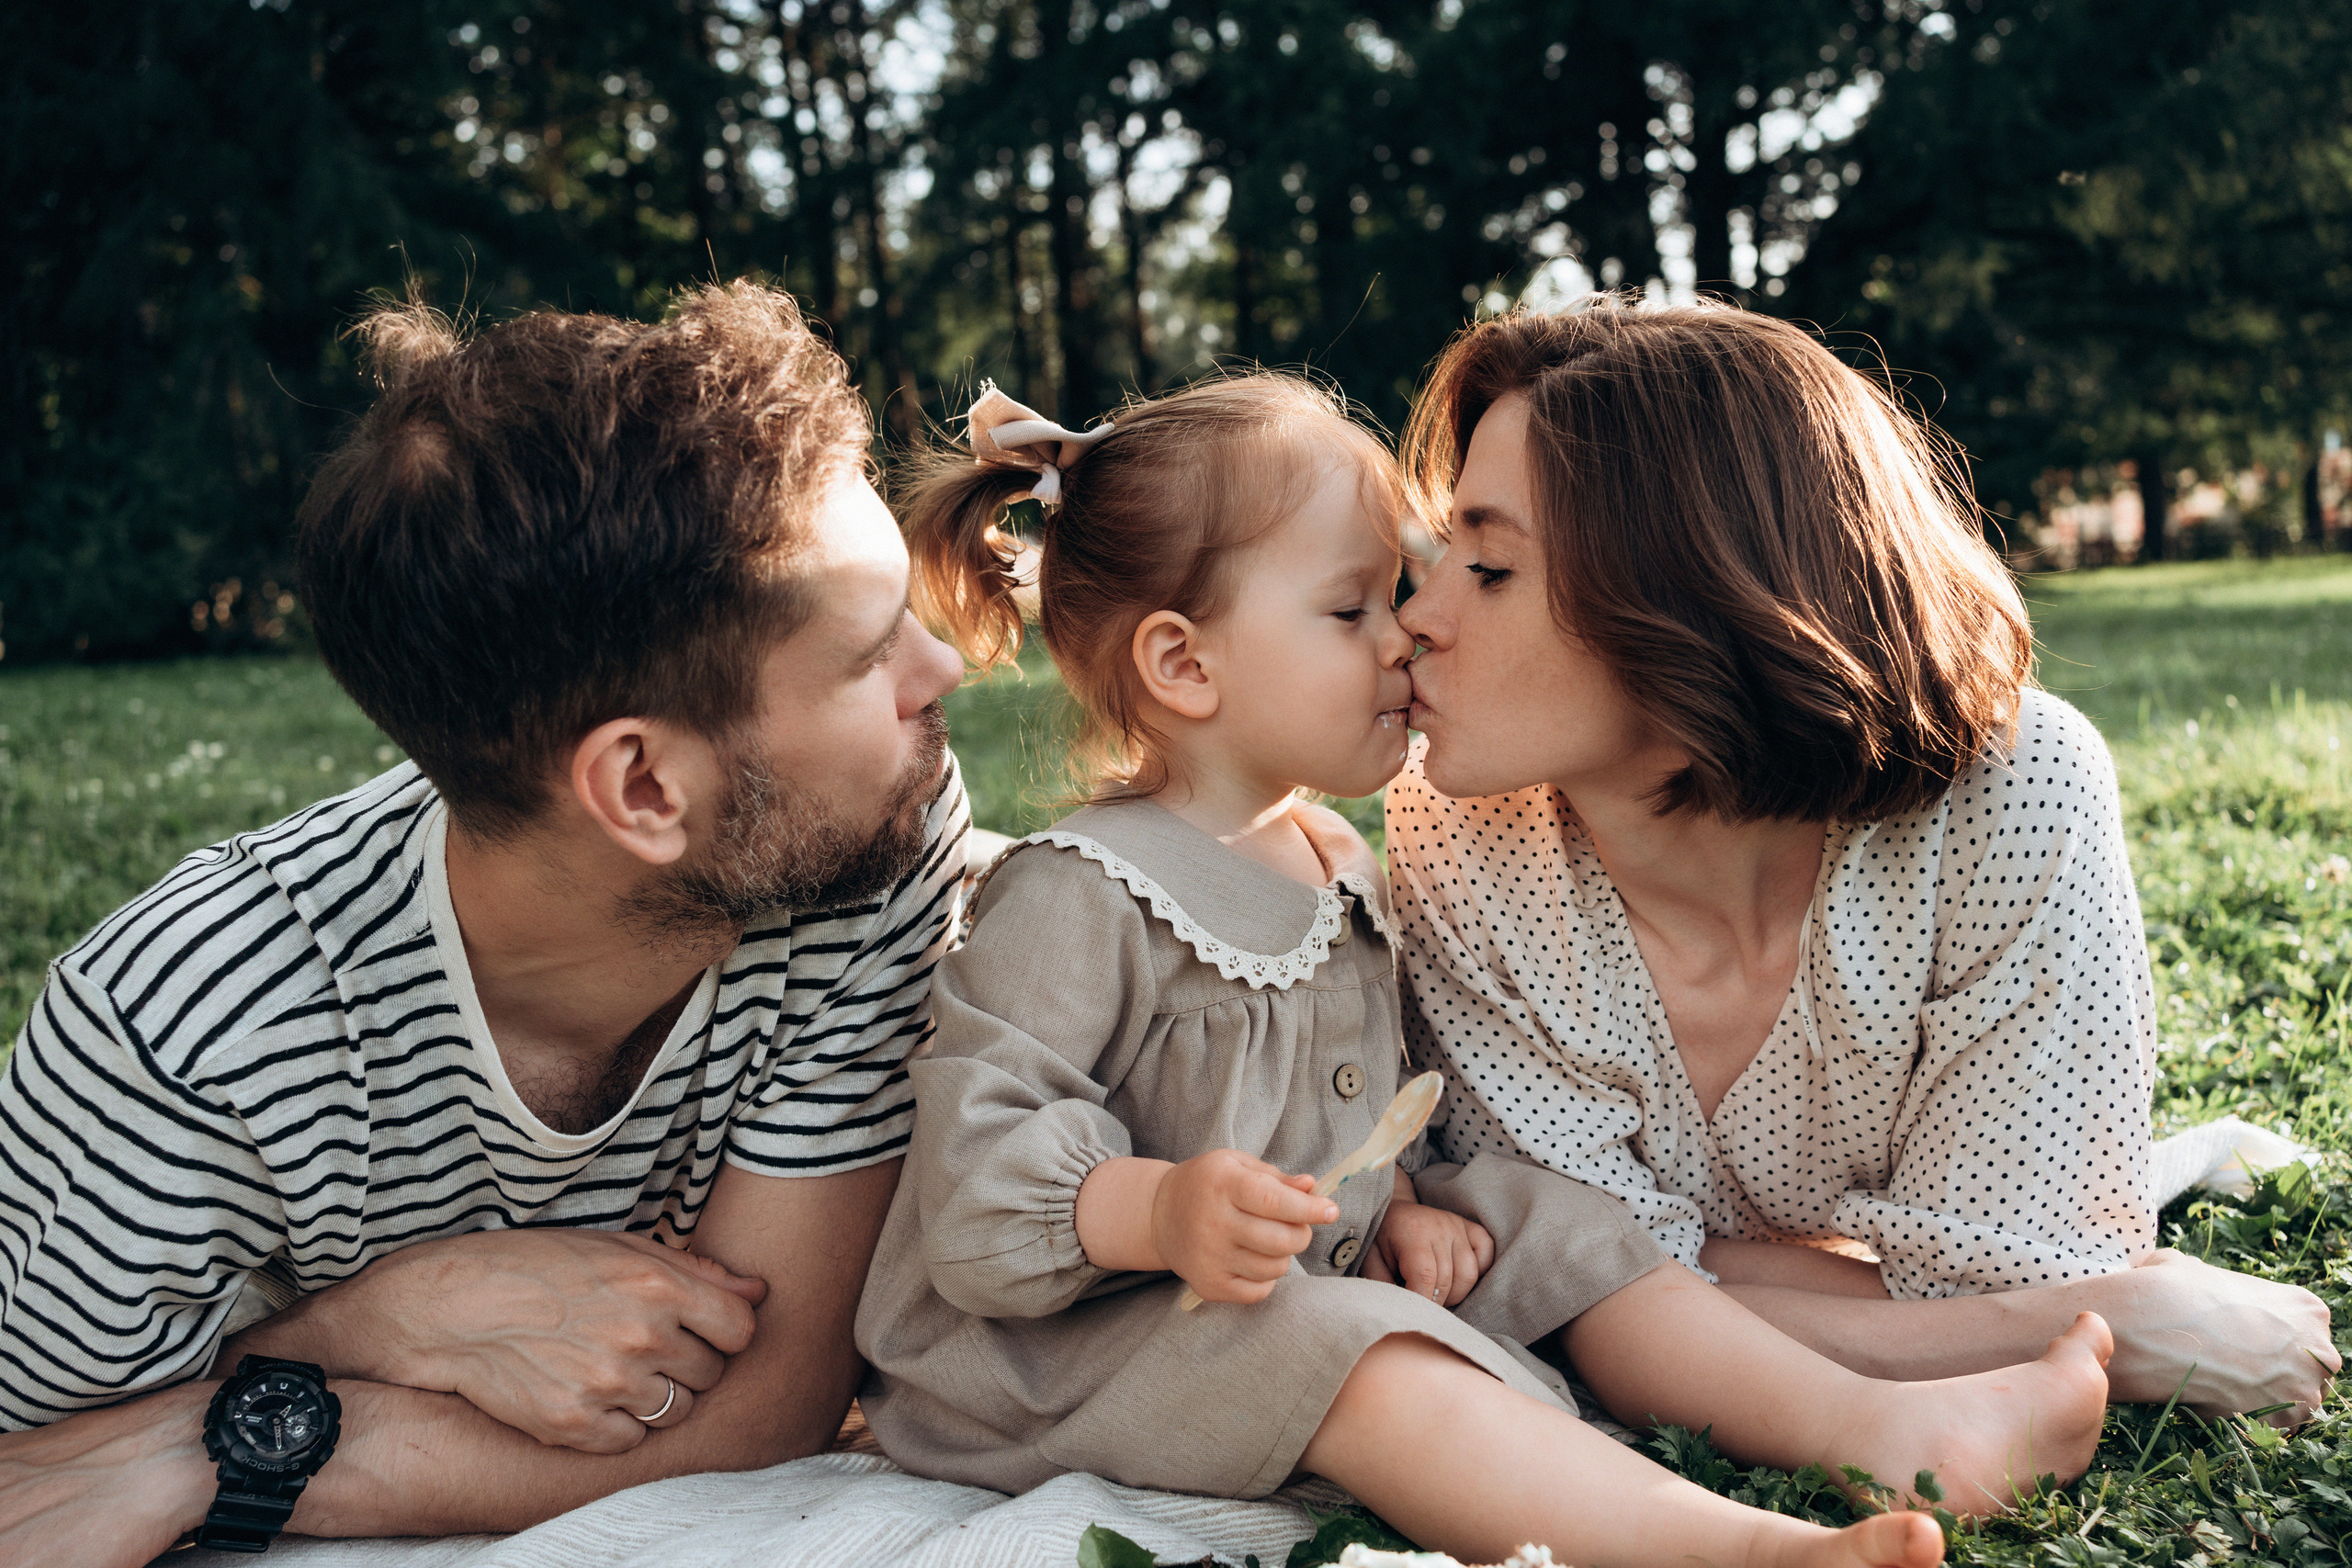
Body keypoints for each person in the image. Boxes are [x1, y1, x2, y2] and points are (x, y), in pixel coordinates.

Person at [854, 373, 2115, 1568]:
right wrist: (1159, 1210)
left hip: (1292, 1274)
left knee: (1541, 1217)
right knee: (1340, 1339)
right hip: (1066, 1344)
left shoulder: (1333, 854)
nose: (1406, 632)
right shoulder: (1080, 887)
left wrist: (1398, 1201)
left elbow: (1348, 1098)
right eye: (1351, 610)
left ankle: (1869, 1424)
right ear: (1184, 664)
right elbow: (976, 1179)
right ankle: (1739, 1545)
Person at [0, 283, 971, 1562]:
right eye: (865, 656)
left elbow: (768, 1404)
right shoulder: (184, 1036)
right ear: (642, 787)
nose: (942, 668)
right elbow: (38, 1470)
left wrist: (238, 1428)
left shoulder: (861, 854)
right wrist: (391, 1319)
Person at [1385, 299, 2339, 1441]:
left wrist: (1686, 1288)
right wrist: (2110, 1326)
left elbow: (2022, 1262)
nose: (1414, 620)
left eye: (1488, 566)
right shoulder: (1453, 833)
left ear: (1695, 599)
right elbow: (1561, 1299)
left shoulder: (2013, 793)